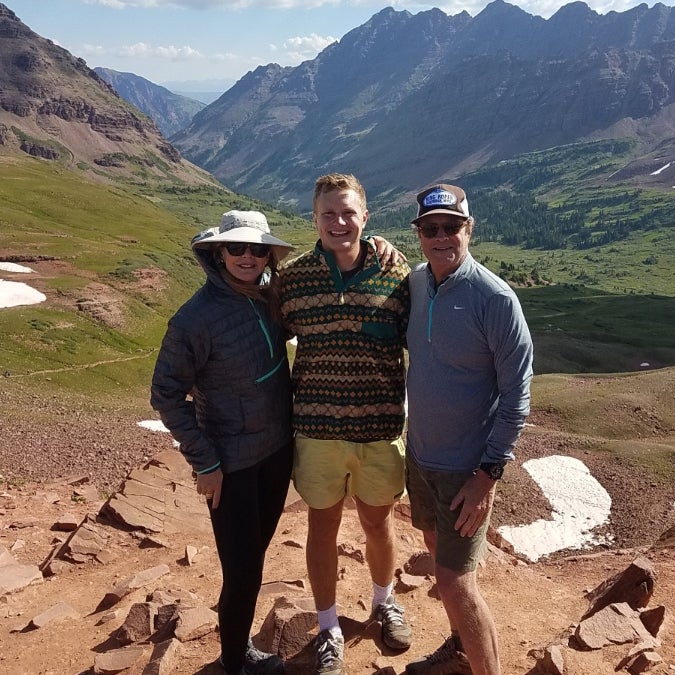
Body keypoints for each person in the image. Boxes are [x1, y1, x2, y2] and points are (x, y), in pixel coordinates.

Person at [278, 173, 413, 675]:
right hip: (317, 431)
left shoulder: (396, 276)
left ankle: (384, 602)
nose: (339, 222)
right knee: (322, 527)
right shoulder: (292, 279)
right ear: (314, 219)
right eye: (329, 214)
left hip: (379, 430)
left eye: (348, 212)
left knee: (378, 523)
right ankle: (329, 625)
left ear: (366, 217)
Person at [150, 210, 295, 675]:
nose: (247, 256)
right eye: (237, 248)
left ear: (268, 254)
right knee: (243, 570)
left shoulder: (270, 294)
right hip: (231, 467)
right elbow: (166, 394)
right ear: (219, 252)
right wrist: (205, 461)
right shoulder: (194, 319)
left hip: (277, 452)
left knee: (253, 558)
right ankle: (235, 661)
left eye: (257, 249)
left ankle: (238, 651)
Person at [403, 184, 533, 675]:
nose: (442, 237)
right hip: (421, 458)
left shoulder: (495, 299)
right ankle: (459, 647)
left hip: (466, 471)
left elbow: (518, 394)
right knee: (437, 555)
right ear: (419, 235)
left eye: (451, 226)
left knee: (456, 581)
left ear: (468, 229)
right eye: (430, 228)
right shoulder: (417, 283)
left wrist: (487, 477)